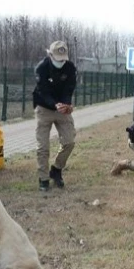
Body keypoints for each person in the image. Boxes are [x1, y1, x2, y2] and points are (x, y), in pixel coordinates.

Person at [32, 40, 78, 192]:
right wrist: (54, 105)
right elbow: (43, 91)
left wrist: (66, 104)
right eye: (58, 59)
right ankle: (43, 178)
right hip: (44, 108)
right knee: (43, 147)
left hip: (62, 109)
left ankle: (56, 169)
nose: (61, 62)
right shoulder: (41, 68)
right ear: (50, 55)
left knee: (69, 141)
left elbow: (69, 88)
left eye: (64, 59)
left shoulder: (70, 68)